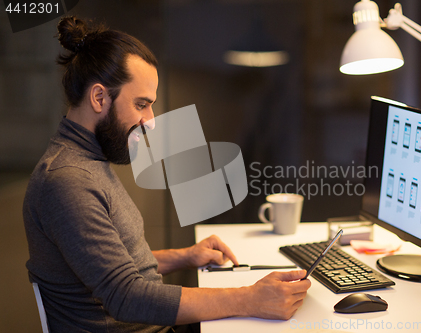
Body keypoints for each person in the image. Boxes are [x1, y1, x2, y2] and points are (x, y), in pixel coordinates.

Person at [22, 16, 311, 333]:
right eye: (141, 104)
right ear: (99, 98)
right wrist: (250, 298)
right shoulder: (67, 180)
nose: (151, 120)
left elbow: (110, 266)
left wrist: (185, 255)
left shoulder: (87, 160)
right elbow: (126, 296)